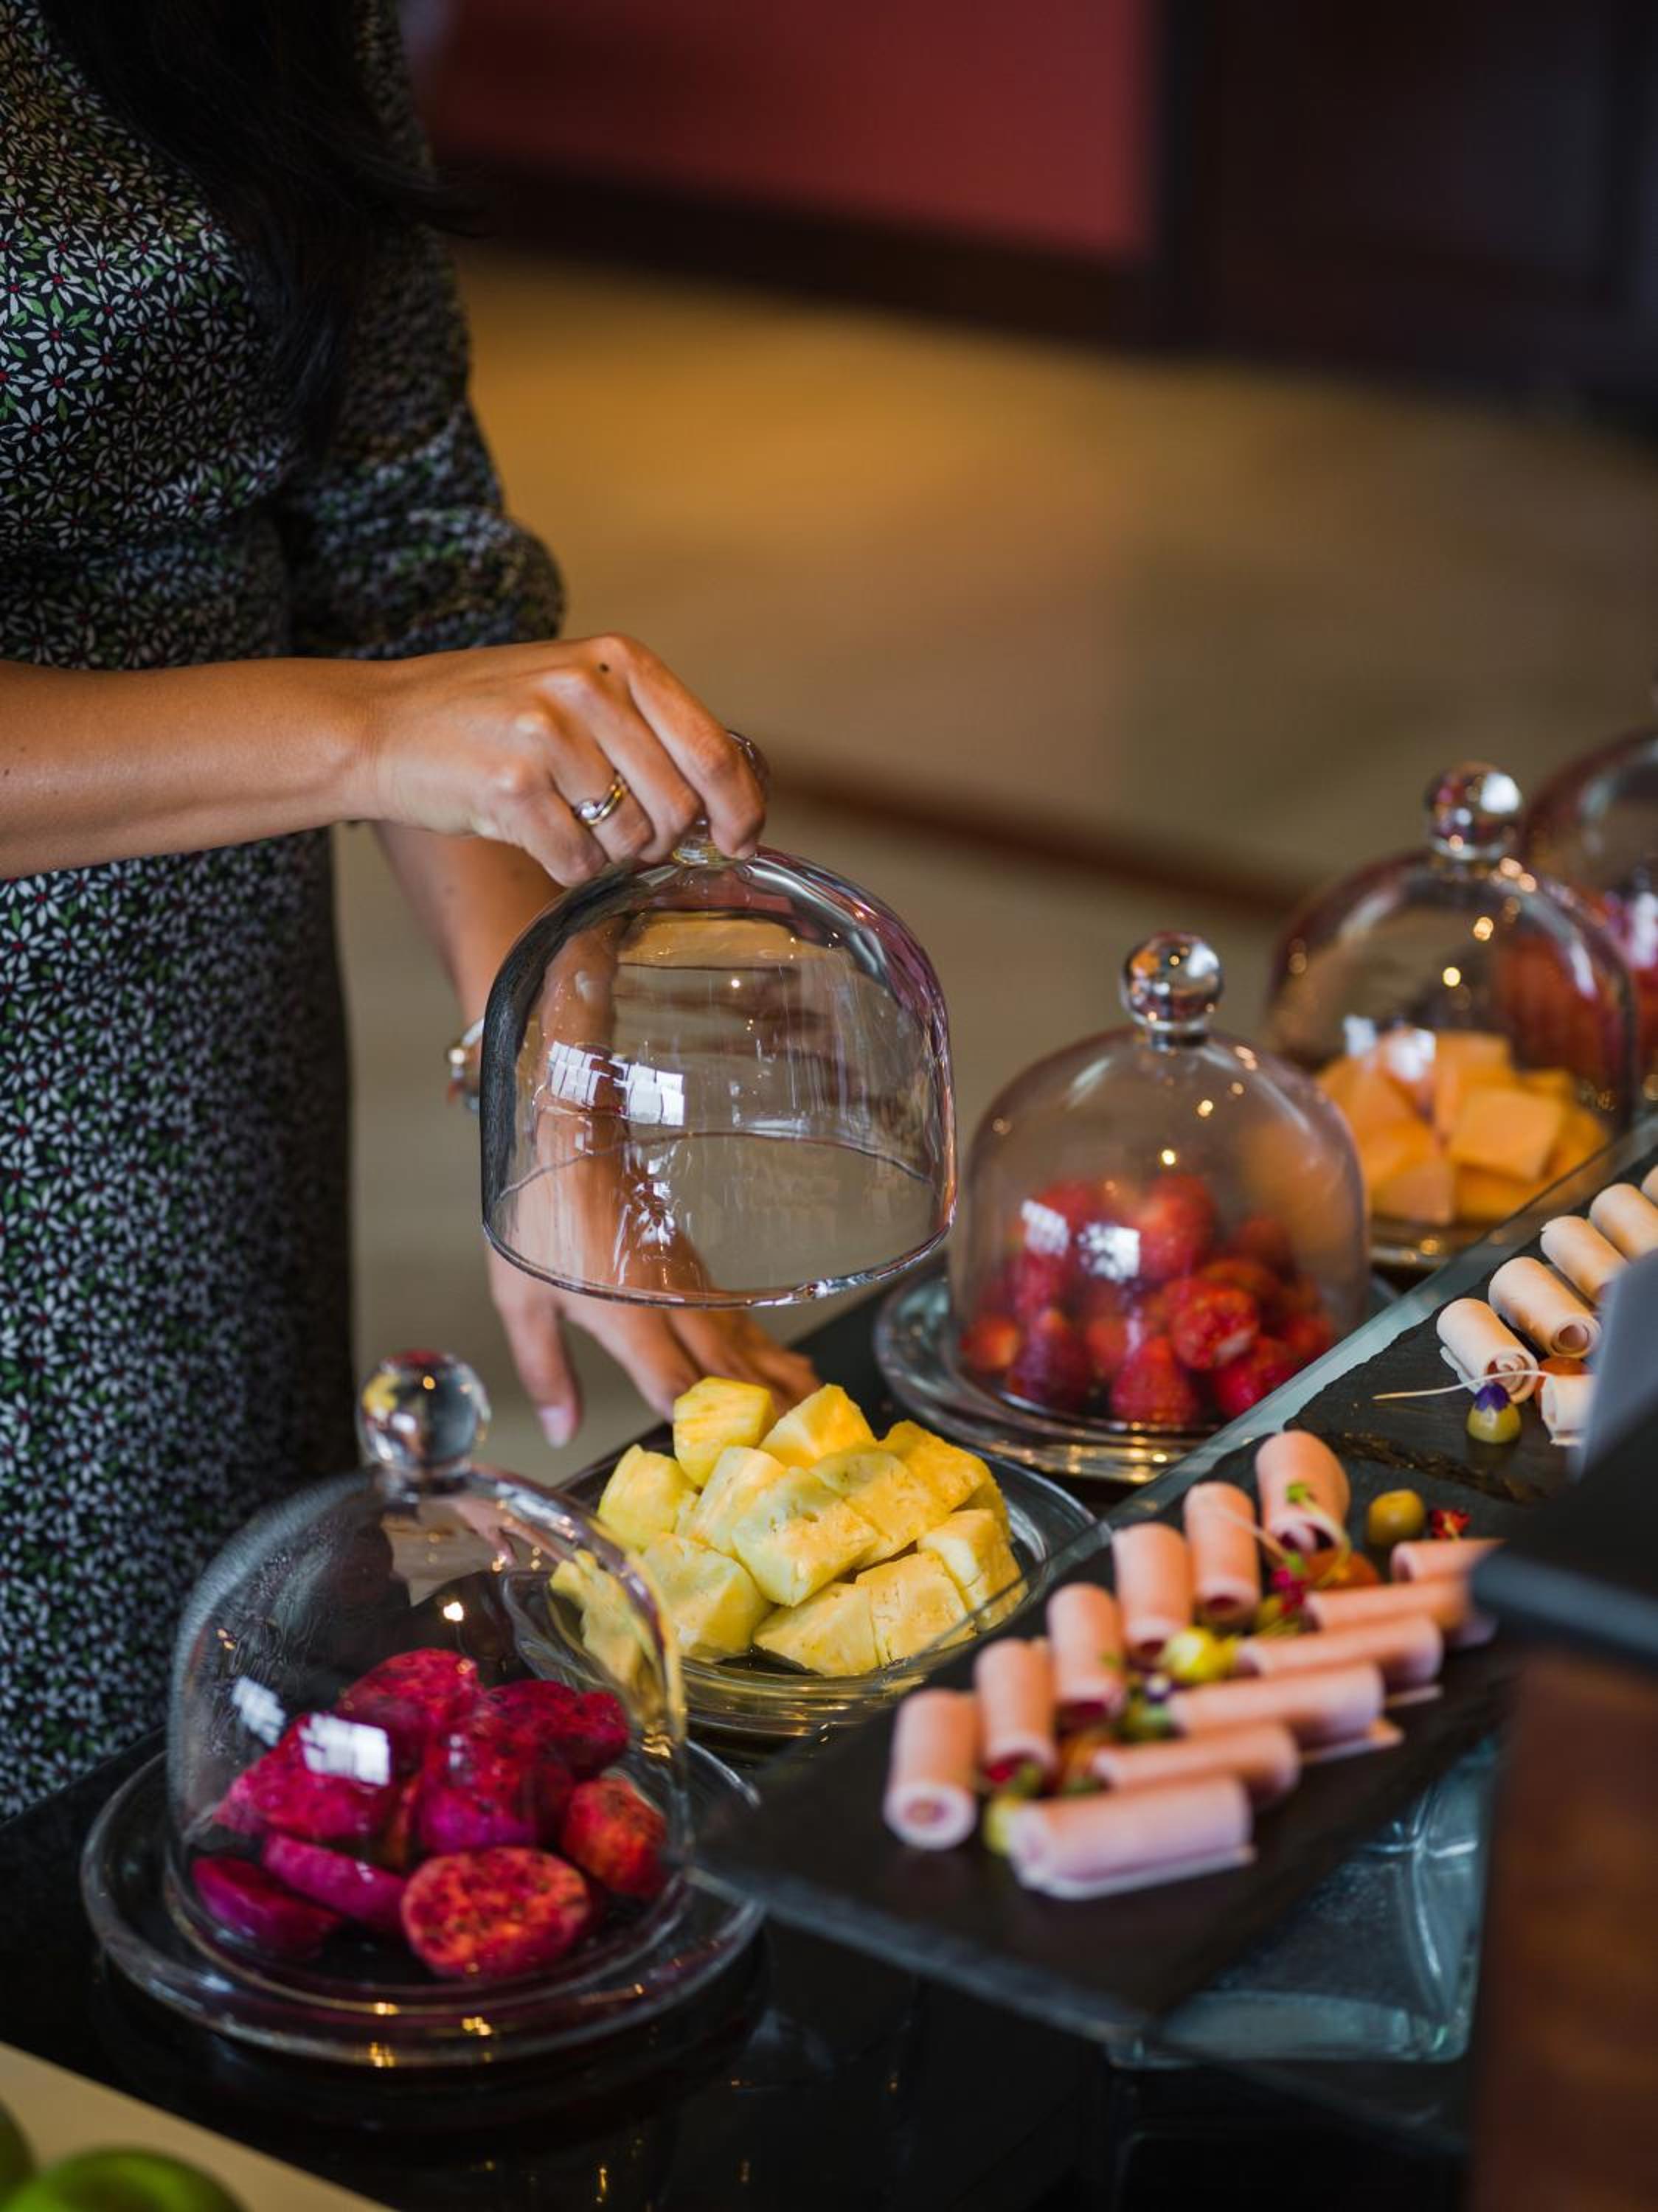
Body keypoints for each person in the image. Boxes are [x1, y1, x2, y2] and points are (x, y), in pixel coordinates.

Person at [0, 0, 813, 1814]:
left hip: (202, 1081)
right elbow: (400, 699)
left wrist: (547, 1072)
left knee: (198, 1740)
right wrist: (373, 732)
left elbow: (405, 540)